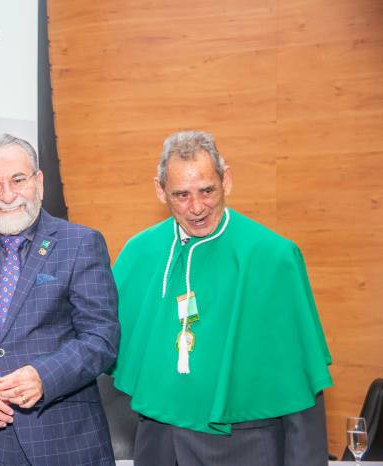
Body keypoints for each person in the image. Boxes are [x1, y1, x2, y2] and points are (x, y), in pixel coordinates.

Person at [112, 130, 333, 466]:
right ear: (160, 190)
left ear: (226, 180)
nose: (196, 207)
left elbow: (299, 383)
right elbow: (97, 339)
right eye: (181, 195)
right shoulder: (140, 252)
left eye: (207, 190)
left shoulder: (271, 256)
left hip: (243, 445)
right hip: (158, 441)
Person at [0, 134, 119, 465]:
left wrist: (44, 376)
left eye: (18, 180)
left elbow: (102, 338)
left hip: (65, 441)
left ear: (38, 182)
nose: (7, 195)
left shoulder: (80, 243)